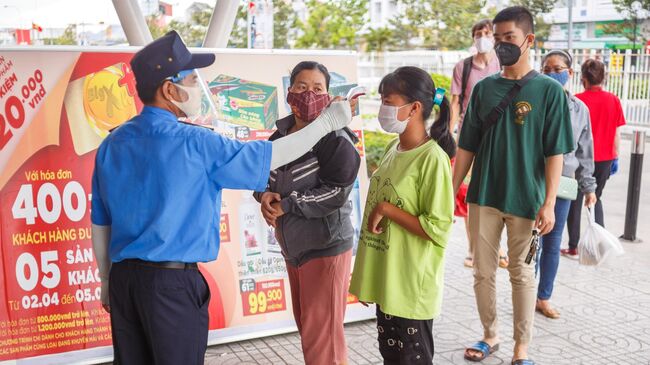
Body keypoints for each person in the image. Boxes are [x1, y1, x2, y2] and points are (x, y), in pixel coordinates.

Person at [90, 31, 355, 365]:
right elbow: (271, 156)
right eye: (191, 79)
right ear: (169, 89)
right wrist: (328, 121)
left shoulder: (111, 144)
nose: (197, 87)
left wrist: (105, 279)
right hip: (171, 285)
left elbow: (100, 222)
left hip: (124, 283)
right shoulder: (196, 143)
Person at [453, 7, 574, 364]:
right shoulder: (484, 89)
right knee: (482, 272)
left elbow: (556, 153)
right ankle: (491, 335)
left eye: (510, 38)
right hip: (484, 196)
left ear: (529, 40)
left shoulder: (549, 92)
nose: (501, 44)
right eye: (498, 38)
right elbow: (466, 146)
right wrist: (449, 189)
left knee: (522, 274)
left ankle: (523, 346)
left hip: (527, 199)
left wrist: (549, 202)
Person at [254, 61, 361, 365]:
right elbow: (261, 177)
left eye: (318, 89)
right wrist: (264, 196)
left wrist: (287, 204)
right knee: (310, 329)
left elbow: (336, 193)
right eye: (302, 87)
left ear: (328, 96)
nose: (309, 94)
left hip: (325, 247)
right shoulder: (279, 138)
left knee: (322, 339)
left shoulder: (335, 139)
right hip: (294, 249)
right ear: (290, 93)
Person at [349, 66, 456, 364]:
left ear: (415, 107)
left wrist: (387, 209)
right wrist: (371, 280)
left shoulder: (432, 158)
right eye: (382, 100)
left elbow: (438, 228)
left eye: (389, 101)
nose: (383, 108)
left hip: (410, 287)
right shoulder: (392, 148)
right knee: (392, 357)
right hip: (389, 282)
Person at [536, 50, 597, 318]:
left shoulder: (579, 109)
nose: (551, 73)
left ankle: (543, 296)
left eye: (557, 69)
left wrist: (590, 187)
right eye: (546, 69)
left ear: (569, 73)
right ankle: (524, 293)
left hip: (563, 184)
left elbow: (585, 151)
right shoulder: (533, 103)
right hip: (533, 180)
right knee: (528, 240)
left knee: (552, 242)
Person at [450, 18, 507, 269]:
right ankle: (473, 249)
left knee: (499, 193)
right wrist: (451, 134)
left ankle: (498, 247)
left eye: (486, 32)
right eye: (478, 33)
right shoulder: (463, 67)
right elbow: (455, 103)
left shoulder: (503, 65)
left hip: (500, 140)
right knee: (470, 195)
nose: (482, 37)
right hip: (469, 138)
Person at [562, 58, 626, 258]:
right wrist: (615, 156)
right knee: (596, 198)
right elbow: (616, 133)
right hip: (606, 158)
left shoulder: (577, 101)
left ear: (583, 79)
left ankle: (573, 247)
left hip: (579, 159)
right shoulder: (613, 100)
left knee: (574, 201)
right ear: (603, 78)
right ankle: (599, 245)